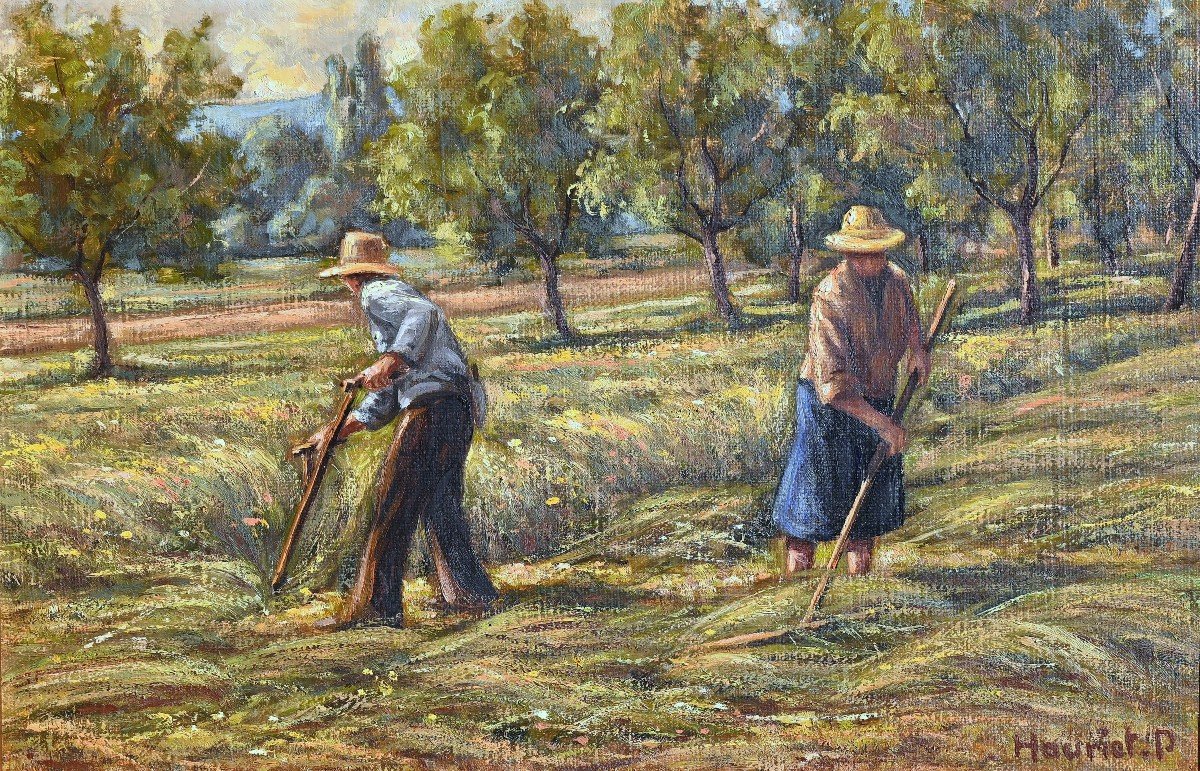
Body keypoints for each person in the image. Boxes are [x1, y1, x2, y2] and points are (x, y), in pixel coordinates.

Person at [300, 231, 498, 629]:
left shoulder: (377, 293)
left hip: (433, 408)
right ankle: (469, 593)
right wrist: (336, 431)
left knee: (394, 505)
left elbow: (421, 320)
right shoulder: (394, 298)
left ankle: (377, 607)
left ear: (350, 277)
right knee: (439, 505)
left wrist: (389, 360)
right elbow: (389, 395)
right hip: (453, 408)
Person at [773, 206, 931, 577]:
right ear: (848, 254)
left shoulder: (896, 281)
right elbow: (834, 385)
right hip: (827, 407)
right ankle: (794, 583)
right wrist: (883, 424)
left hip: (876, 394)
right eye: (862, 253)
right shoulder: (829, 297)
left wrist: (917, 350)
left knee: (869, 502)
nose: (870, 260)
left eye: (876, 251)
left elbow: (909, 318)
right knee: (814, 504)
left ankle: (860, 584)